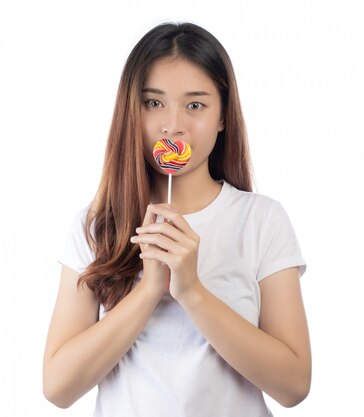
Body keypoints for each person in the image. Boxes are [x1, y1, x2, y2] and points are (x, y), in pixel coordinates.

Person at [43, 22, 311, 417]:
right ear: (130, 112)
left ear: (223, 116)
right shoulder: (98, 225)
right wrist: (149, 290)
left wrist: (192, 291)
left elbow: (293, 385)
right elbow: (58, 388)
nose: (173, 125)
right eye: (153, 103)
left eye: (195, 105)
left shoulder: (261, 220)